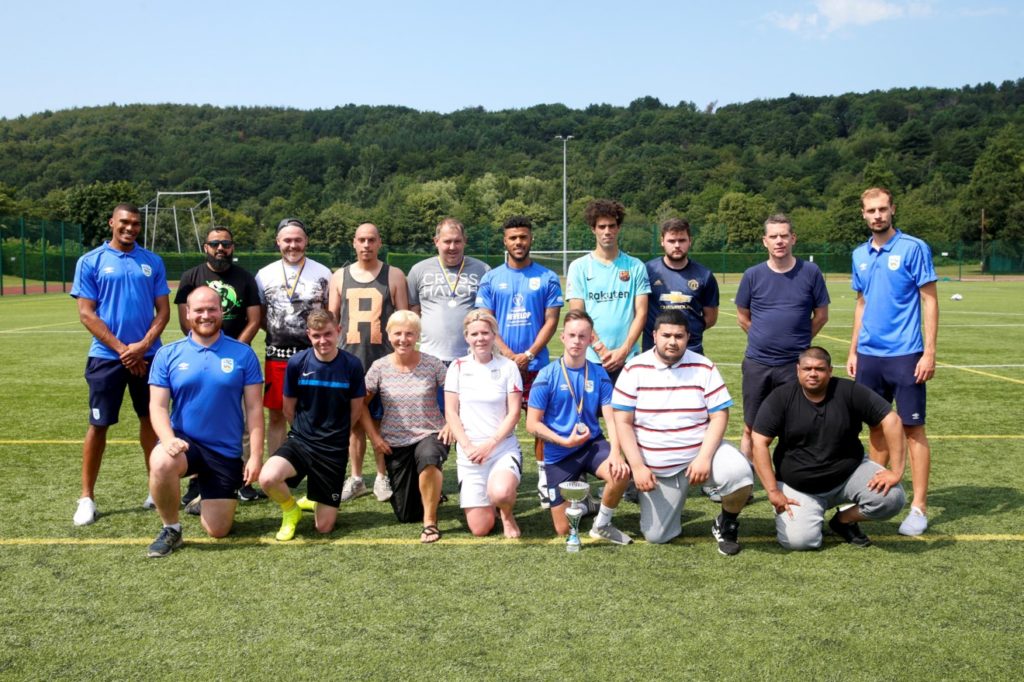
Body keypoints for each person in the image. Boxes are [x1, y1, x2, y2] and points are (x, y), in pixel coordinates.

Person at [612, 309, 754, 555]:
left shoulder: (704, 366)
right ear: (654, 335)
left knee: (740, 473)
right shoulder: (633, 368)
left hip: (700, 456)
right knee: (657, 536)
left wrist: (704, 458)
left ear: (688, 337)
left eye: (679, 336)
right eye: (666, 335)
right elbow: (622, 422)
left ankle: (727, 522)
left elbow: (719, 415)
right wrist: (637, 467)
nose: (672, 341)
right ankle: (668, 506)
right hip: (658, 468)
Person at [70, 203, 171, 526]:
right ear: (112, 222)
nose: (130, 228)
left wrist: (141, 347)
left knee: (151, 422)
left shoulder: (152, 261)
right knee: (98, 425)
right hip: (105, 357)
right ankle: (87, 497)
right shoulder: (91, 261)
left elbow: (163, 312)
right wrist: (123, 350)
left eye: (136, 224)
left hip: (149, 357)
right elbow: (87, 313)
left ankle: (155, 489)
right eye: (124, 222)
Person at [144, 286, 264, 557]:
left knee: (218, 530)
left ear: (222, 312)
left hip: (225, 452)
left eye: (212, 309)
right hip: (186, 445)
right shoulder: (168, 354)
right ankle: (171, 528)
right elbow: (158, 406)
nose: (205, 315)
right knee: (161, 460)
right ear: (188, 313)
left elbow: (255, 409)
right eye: (199, 310)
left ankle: (204, 497)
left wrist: (255, 456)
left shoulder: (242, 354)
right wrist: (167, 439)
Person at [848, 187, 938, 537]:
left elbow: (929, 300)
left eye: (883, 209)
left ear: (892, 210)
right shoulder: (859, 254)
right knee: (875, 427)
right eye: (871, 211)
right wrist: (853, 349)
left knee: (913, 428)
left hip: (906, 354)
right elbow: (861, 302)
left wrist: (929, 351)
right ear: (864, 215)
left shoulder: (913, 248)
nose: (877, 216)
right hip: (869, 355)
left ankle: (919, 507)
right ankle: (873, 494)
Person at [751, 347, 907, 550]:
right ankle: (809, 514)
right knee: (800, 542)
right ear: (798, 370)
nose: (813, 373)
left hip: (848, 475)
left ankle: (843, 520)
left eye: (820, 369)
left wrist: (896, 471)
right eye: (807, 368)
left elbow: (892, 421)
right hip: (799, 486)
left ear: (830, 370)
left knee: (892, 498)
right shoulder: (781, 398)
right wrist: (772, 491)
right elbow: (759, 442)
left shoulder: (849, 391)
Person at [475, 215, 563, 508]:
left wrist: (528, 354)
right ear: (505, 241)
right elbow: (486, 320)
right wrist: (509, 356)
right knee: (497, 422)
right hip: (499, 367)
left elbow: (552, 321)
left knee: (540, 424)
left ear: (531, 239)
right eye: (513, 238)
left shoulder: (548, 277)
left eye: (523, 237)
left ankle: (542, 479)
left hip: (536, 367)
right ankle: (493, 473)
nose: (518, 242)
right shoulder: (491, 278)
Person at [174, 226, 263, 505]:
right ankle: (195, 481)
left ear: (232, 247)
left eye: (225, 243)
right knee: (196, 417)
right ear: (206, 247)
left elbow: (254, 320)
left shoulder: (245, 278)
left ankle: (244, 480)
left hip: (237, 358)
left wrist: (235, 349)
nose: (220, 248)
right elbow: (185, 320)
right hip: (200, 356)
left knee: (244, 421)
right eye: (215, 244)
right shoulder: (191, 277)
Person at [526, 310, 632, 544]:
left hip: (591, 445)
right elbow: (531, 424)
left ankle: (602, 524)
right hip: (558, 452)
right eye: (572, 335)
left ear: (590, 340)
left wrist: (616, 453)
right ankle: (585, 503)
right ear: (563, 337)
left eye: (582, 336)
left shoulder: (599, 373)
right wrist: (564, 441)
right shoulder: (547, 375)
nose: (577, 341)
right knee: (563, 530)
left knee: (621, 473)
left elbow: (611, 416)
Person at [258, 310, 365, 541]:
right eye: (316, 335)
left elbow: (356, 409)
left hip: (333, 449)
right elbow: (289, 408)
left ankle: (314, 496)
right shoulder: (298, 362)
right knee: (267, 478)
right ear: (308, 335)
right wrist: (302, 434)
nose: (322, 340)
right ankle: (291, 509)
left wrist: (338, 436)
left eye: (327, 334)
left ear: (338, 331)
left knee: (324, 527)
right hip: (302, 442)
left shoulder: (352, 365)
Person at [735, 213, 830, 459]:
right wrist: (760, 337)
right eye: (773, 236)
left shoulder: (810, 272)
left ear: (793, 239)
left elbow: (821, 316)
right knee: (750, 426)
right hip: (758, 363)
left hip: (793, 366)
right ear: (764, 241)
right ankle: (745, 480)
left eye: (784, 236)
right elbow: (742, 316)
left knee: (794, 426)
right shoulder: (752, 275)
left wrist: (798, 343)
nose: (779, 241)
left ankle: (791, 477)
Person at [328, 222, 409, 503]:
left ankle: (382, 476)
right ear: (354, 242)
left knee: (380, 422)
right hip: (349, 360)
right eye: (361, 240)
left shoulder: (395, 275)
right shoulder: (339, 276)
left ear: (379, 242)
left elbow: (403, 320)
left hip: (383, 361)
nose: (366, 245)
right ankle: (358, 477)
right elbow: (331, 320)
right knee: (353, 425)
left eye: (371, 240)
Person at [361, 311, 451, 543]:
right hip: (396, 442)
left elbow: (455, 394)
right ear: (388, 335)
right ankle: (432, 492)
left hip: (430, 433)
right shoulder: (379, 367)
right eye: (398, 333)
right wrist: (375, 438)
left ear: (418, 336)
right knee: (406, 514)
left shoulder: (433, 364)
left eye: (409, 334)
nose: (403, 339)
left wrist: (451, 423)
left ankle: (430, 523)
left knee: (429, 457)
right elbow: (360, 405)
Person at [255, 218, 331, 463]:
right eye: (287, 240)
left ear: (306, 241)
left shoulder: (322, 272)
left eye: (298, 240)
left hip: (314, 357)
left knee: (316, 414)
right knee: (277, 415)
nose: (293, 245)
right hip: (278, 355)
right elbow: (259, 315)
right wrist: (281, 330)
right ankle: (277, 470)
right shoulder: (264, 274)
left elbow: (329, 312)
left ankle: (318, 468)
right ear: (278, 242)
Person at [445, 310, 524, 538]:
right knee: (480, 529)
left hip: (501, 449)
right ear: (467, 337)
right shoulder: (457, 367)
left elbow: (514, 413)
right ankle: (489, 501)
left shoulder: (509, 367)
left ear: (494, 335)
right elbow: (451, 412)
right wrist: (469, 447)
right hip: (470, 454)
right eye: (474, 334)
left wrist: (489, 445)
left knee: (501, 493)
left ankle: (506, 513)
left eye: (485, 333)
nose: (480, 338)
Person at [566, 198, 650, 385]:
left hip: (628, 358)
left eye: (612, 226)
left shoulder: (635, 266)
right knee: (587, 414)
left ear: (618, 228)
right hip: (590, 357)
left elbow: (641, 313)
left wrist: (623, 350)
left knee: (627, 415)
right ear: (593, 229)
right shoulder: (578, 267)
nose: (607, 232)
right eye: (602, 226)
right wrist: (600, 349)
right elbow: (577, 315)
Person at [407, 217, 490, 364]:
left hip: (470, 358)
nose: (452, 247)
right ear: (436, 241)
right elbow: (414, 310)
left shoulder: (483, 270)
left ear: (465, 241)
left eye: (457, 241)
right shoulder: (418, 270)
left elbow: (488, 313)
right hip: (428, 358)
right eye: (447, 241)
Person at [644, 217, 719, 355]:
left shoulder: (704, 275)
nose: (677, 245)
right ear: (662, 241)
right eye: (671, 241)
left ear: (690, 241)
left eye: (682, 240)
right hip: (653, 351)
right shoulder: (647, 271)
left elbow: (711, 318)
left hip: (691, 350)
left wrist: (688, 330)